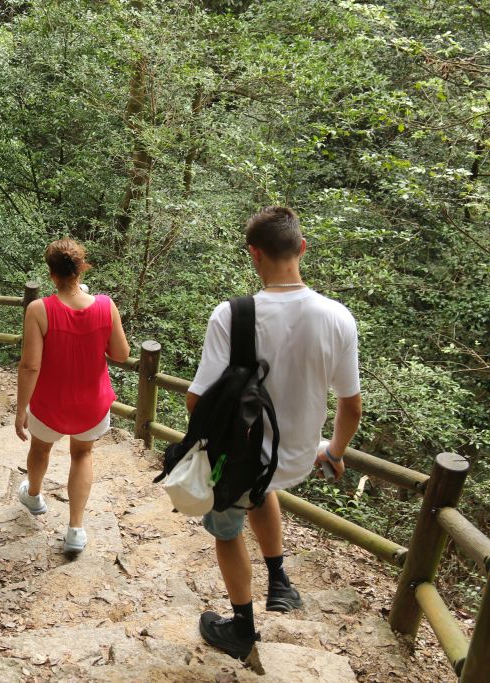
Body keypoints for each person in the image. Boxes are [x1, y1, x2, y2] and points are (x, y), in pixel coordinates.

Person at [188, 206, 363, 659]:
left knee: (227, 531)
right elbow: (351, 406)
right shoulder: (338, 317)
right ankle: (279, 580)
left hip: (243, 460)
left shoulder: (231, 315)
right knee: (263, 491)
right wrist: (334, 452)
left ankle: (241, 629)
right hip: (299, 459)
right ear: (302, 248)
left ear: (254, 254)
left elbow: (197, 400)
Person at [14, 239, 130, 554]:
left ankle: (34, 496)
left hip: (49, 403)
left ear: (51, 274)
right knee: (82, 455)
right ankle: (75, 530)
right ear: (82, 268)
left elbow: (30, 366)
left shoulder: (39, 310)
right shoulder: (106, 306)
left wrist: (21, 409)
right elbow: (121, 354)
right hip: (92, 404)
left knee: (40, 448)